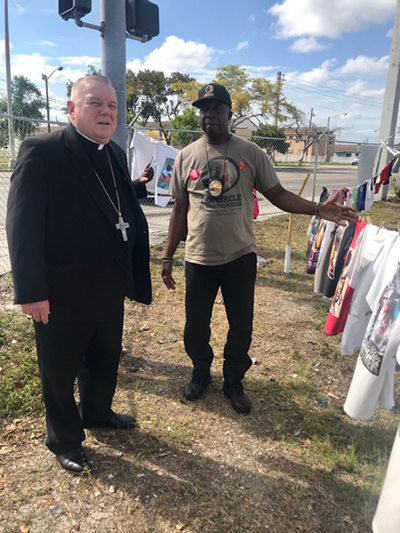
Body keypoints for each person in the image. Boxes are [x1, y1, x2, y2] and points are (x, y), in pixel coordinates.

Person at [161, 82, 358, 415]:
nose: (210, 114)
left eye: (217, 109)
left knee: (242, 326)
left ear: (229, 114)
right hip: (198, 258)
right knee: (196, 326)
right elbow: (179, 209)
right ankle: (200, 373)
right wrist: (168, 255)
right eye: (204, 109)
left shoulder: (251, 152)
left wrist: (317, 208)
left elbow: (278, 195)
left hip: (239, 257)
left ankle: (234, 381)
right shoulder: (186, 156)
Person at [6, 75, 153, 473]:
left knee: (104, 361)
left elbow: (111, 201)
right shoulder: (43, 151)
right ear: (71, 110)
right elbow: (22, 225)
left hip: (109, 286)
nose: (106, 111)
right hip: (60, 293)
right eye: (95, 103)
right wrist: (31, 291)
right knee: (59, 371)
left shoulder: (115, 153)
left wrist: (139, 188)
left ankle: (97, 412)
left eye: (111, 105)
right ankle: (65, 440)